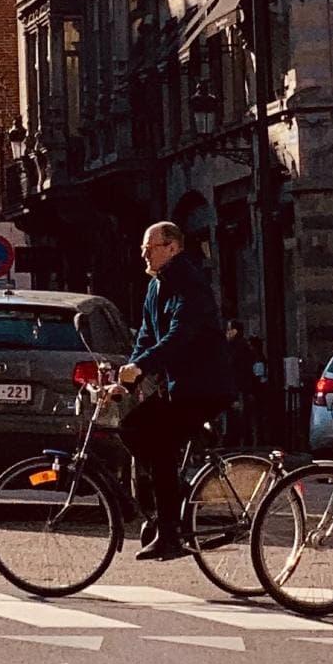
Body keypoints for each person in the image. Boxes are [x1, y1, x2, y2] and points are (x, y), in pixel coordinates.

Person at [118, 220, 232, 559]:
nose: (144, 253)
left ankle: (170, 533)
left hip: (205, 387)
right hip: (178, 389)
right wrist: (126, 378)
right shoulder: (155, 286)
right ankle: (177, 503)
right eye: (143, 247)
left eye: (150, 247)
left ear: (173, 248)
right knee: (132, 428)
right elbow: (147, 337)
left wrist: (142, 366)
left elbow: (180, 336)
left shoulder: (188, 282)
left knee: (161, 443)